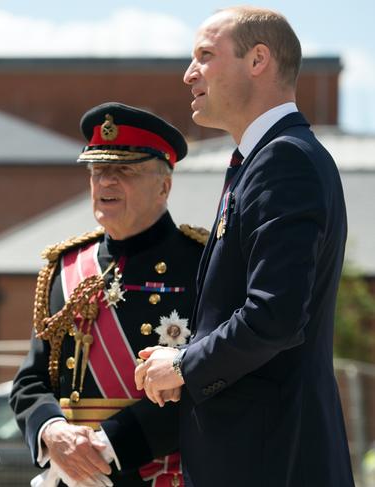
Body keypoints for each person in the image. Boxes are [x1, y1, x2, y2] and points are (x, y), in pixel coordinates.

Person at [134, 6, 355, 487]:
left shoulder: (284, 160)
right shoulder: (262, 159)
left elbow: (274, 317)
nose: (188, 73)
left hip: (271, 460)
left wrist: (183, 365)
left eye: (205, 56)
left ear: (259, 59)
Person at [10, 102, 208, 487]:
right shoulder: (65, 267)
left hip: (160, 473)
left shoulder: (200, 265)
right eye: (99, 171)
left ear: (164, 185)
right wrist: (53, 431)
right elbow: (30, 381)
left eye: (124, 171)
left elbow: (211, 379)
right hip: (71, 471)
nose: (106, 183)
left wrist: (108, 444)